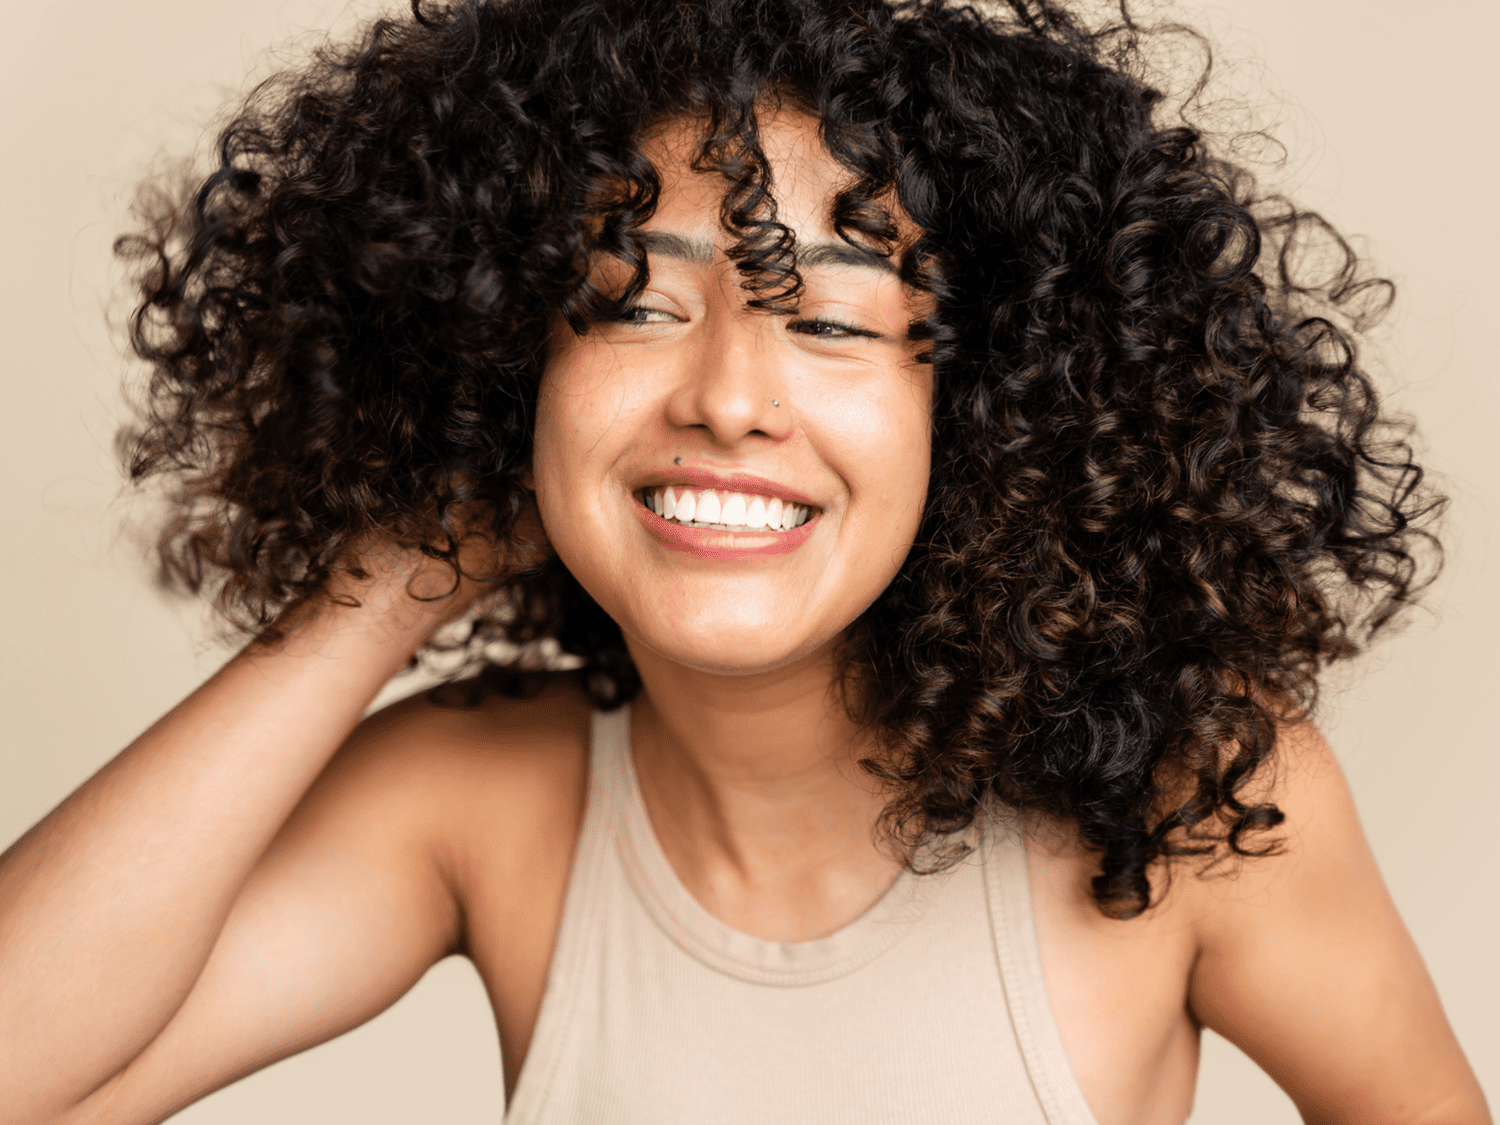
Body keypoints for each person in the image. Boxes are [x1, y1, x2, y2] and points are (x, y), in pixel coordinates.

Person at [0, 0, 1489, 1122]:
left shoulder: (1200, 802)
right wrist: (408, 564)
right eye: (631, 306)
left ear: (987, 415)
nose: (725, 394)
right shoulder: (480, 806)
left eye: (836, 324)